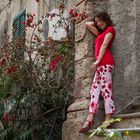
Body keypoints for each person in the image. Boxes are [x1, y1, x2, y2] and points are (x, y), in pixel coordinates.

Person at [79, 12, 116, 133]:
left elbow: (104, 45)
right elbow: (87, 24)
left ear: (106, 19)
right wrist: (95, 21)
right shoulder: (100, 33)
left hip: (105, 63)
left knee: (106, 91)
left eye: (101, 21)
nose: (99, 24)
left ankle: (108, 120)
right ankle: (89, 120)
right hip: (99, 66)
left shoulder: (110, 30)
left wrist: (98, 60)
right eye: (97, 22)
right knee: (94, 91)